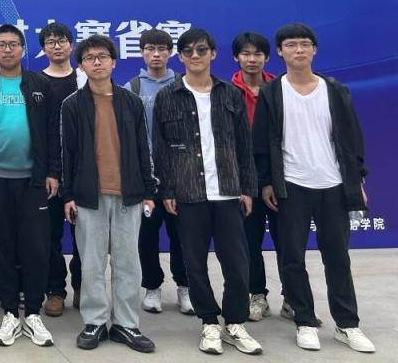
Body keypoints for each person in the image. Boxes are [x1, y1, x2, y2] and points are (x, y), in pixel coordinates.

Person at [253, 23, 375, 353]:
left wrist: (356, 179)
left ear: (314, 50)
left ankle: (347, 325)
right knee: (292, 258)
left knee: (337, 258)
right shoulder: (271, 92)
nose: (299, 50)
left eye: (305, 44)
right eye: (291, 45)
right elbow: (262, 142)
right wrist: (266, 182)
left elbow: (351, 139)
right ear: (280, 52)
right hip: (292, 185)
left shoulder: (334, 90)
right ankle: (304, 321)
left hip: (333, 184)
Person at [152, 28, 262, 355]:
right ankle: (209, 322)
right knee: (194, 263)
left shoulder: (230, 94)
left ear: (213, 53)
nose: (195, 56)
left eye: (202, 50)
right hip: (188, 192)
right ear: (180, 57)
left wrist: (247, 188)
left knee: (237, 264)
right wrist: (167, 189)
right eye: (188, 51)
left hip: (228, 191)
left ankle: (235, 322)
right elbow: (161, 149)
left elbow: (244, 146)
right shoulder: (167, 96)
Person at [0, 24, 60, 347]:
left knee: (35, 247)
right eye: (2, 44)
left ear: (23, 49)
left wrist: (52, 172)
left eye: (13, 44)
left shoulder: (39, 84)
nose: (7, 49)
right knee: (1, 247)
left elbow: (52, 132)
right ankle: (8, 312)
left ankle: (32, 312)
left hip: (33, 181)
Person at [61, 35, 156, 353]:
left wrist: (149, 190)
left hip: (129, 193)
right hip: (89, 195)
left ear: (114, 62)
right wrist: (67, 195)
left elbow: (143, 148)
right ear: (81, 65)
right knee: (91, 263)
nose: (97, 62)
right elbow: (67, 153)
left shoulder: (131, 102)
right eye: (89, 58)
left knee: (128, 262)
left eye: (102, 56)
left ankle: (126, 324)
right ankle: (95, 322)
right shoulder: (72, 105)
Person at [124, 28, 191, 316]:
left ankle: (185, 287)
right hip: (146, 177)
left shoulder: (182, 83)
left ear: (170, 52)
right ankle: (152, 288)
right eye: (150, 49)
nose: (156, 54)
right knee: (147, 236)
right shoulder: (133, 87)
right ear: (141, 52)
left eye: (162, 49)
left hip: (180, 174)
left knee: (183, 235)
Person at [229, 32, 281, 322]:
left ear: (267, 57)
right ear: (236, 57)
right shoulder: (226, 91)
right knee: (249, 242)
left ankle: (293, 297)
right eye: (246, 53)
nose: (252, 59)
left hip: (280, 177)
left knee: (287, 241)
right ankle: (257, 295)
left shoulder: (279, 88)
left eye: (257, 54)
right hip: (243, 179)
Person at [37, 22, 82, 316]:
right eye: (50, 42)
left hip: (83, 170)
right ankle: (55, 290)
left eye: (62, 40)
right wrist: (49, 170)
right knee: (49, 235)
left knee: (84, 234)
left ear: (71, 45)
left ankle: (82, 284)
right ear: (43, 48)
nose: (56, 46)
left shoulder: (85, 79)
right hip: (50, 171)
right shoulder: (36, 82)